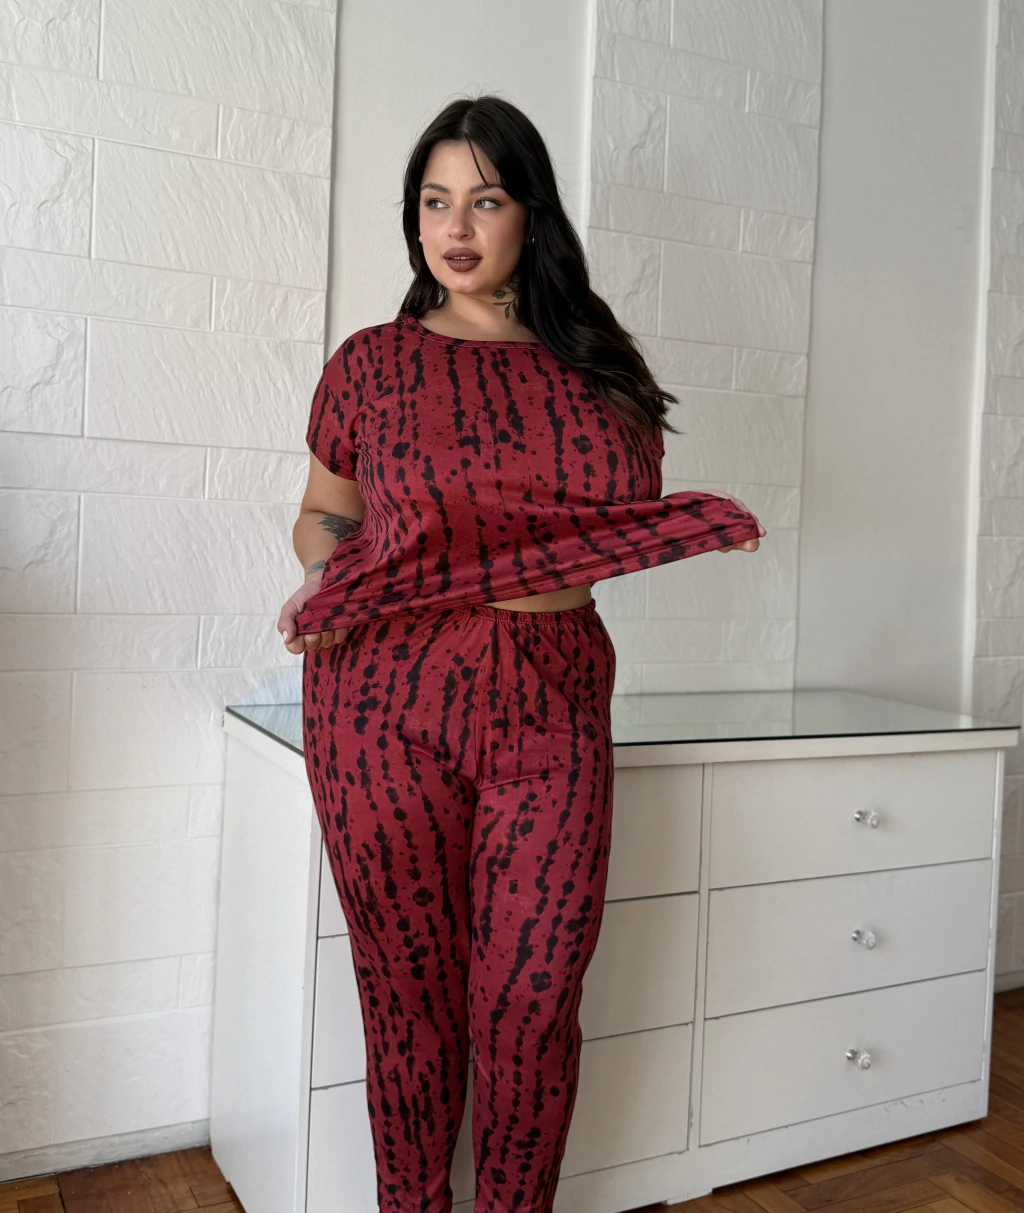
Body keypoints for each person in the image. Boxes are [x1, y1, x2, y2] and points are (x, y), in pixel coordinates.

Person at [277, 95, 764, 1213]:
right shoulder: (372, 363)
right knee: (407, 998)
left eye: (484, 200)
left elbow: (598, 531)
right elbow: (325, 512)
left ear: (530, 214)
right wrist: (328, 574)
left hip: (550, 697)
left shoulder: (596, 364)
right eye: (433, 202)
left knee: (534, 1002)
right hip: (379, 695)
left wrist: (690, 525)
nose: (454, 228)